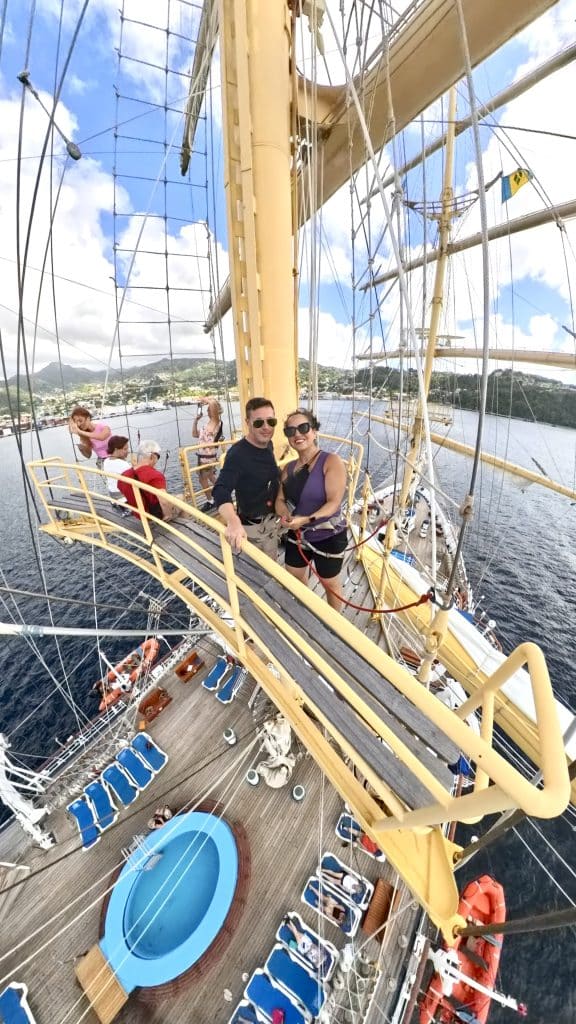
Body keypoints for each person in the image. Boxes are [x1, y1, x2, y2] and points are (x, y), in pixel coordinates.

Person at [276, 409, 348, 610]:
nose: (297, 434)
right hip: (298, 535)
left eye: (303, 428)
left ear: (314, 431)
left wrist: (305, 520)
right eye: (291, 431)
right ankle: (307, 611)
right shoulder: (288, 469)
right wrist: (285, 514)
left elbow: (334, 503)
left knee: (330, 585)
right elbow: (280, 499)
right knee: (294, 575)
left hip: (328, 535)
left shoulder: (331, 461)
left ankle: (334, 627)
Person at [212, 397, 280, 559]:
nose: (266, 427)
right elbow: (221, 489)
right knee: (254, 577)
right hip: (253, 531)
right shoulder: (238, 455)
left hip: (271, 524)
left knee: (272, 571)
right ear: (247, 422)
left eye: (271, 421)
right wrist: (233, 521)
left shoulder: (267, 445)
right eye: (258, 423)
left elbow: (270, 472)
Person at [118, 440, 175, 521]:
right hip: (153, 515)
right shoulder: (155, 475)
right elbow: (164, 502)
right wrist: (168, 515)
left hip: (139, 515)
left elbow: (123, 490)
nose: (157, 460)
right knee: (181, 499)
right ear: (152, 456)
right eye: (158, 457)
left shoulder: (124, 475)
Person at [192, 397, 224, 510]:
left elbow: (214, 406)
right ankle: (223, 493)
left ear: (215, 411)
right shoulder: (209, 424)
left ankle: (211, 501)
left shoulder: (216, 422)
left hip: (207, 457)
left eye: (209, 409)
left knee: (202, 479)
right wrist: (196, 420)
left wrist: (206, 400)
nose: (207, 411)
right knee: (210, 476)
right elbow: (195, 434)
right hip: (202, 456)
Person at [103, 436, 131, 500]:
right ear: (116, 450)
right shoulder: (123, 464)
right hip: (123, 498)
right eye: (125, 449)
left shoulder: (106, 461)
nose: (128, 451)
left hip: (113, 496)